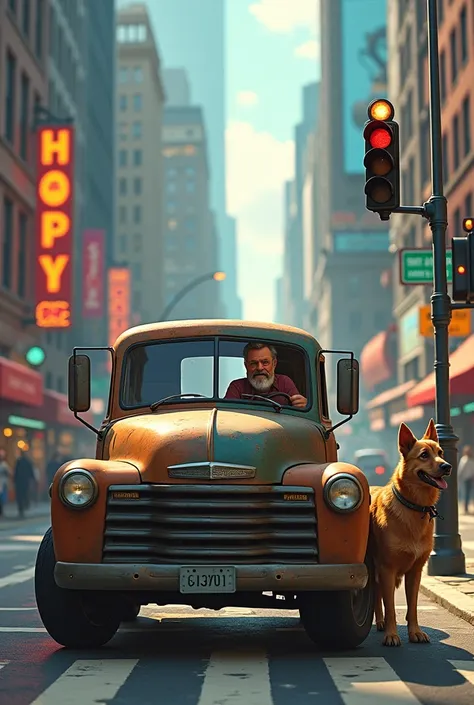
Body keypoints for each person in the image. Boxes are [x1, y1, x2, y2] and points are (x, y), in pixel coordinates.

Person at [224, 341, 307, 408]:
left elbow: (299, 411)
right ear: (246, 366)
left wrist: (302, 404)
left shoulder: (285, 382)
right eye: (253, 363)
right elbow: (227, 415)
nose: (260, 368)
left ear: (274, 364)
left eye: (265, 362)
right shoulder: (237, 387)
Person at [458, 444, 474, 514]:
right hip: (465, 479)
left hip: (470, 479)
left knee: (468, 493)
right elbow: (461, 470)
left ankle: (467, 508)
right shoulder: (464, 459)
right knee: (465, 493)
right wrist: (459, 477)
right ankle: (465, 508)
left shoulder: (471, 459)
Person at [0, 449, 11, 517]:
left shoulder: (4, 465)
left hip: (3, 483)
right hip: (2, 483)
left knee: (2, 498)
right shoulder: (4, 465)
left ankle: (1, 510)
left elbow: (9, 472)